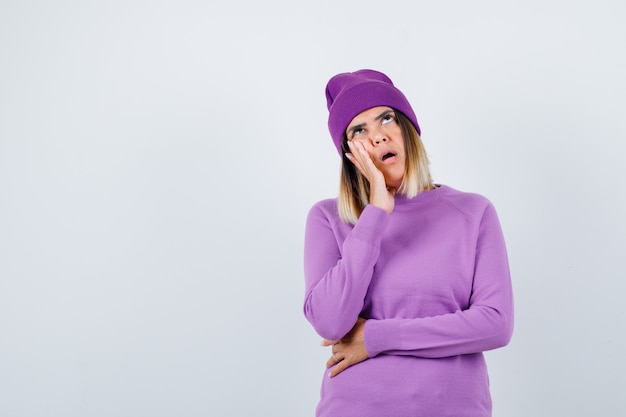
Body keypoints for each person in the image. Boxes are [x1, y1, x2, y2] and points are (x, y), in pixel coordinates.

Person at [303, 69, 514, 417]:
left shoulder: (473, 212)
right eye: (359, 130)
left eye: (386, 118)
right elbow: (329, 322)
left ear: (408, 129)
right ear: (349, 153)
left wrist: (376, 338)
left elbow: (495, 324)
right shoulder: (328, 218)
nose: (378, 137)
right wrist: (374, 216)